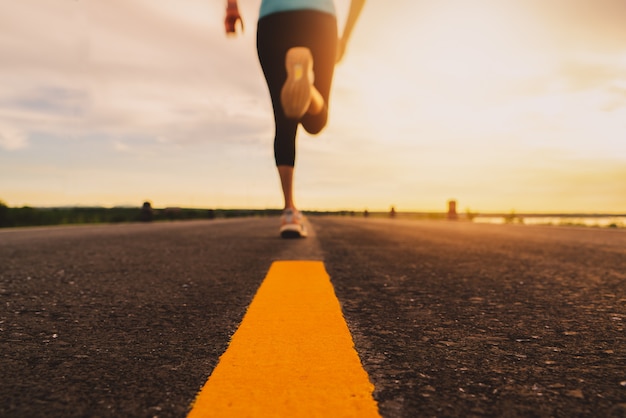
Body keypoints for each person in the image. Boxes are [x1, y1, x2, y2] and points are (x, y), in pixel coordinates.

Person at [224, 0, 365, 238]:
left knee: (284, 119)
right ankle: (307, 90)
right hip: (318, 18)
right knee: (316, 123)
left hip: (273, 20)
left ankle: (289, 211)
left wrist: (232, 7)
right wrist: (345, 37)